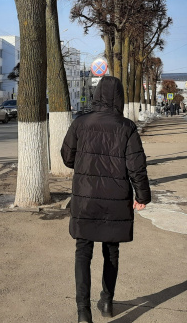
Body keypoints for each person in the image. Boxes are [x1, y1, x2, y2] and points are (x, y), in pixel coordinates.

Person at [61, 76, 151, 323]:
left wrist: (84, 162)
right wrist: (142, 195)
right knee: (111, 250)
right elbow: (137, 166)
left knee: (83, 251)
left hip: (86, 197)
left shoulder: (81, 123)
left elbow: (67, 157)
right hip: (116, 198)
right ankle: (107, 302)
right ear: (120, 98)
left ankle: (83, 313)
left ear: (97, 95)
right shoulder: (127, 127)